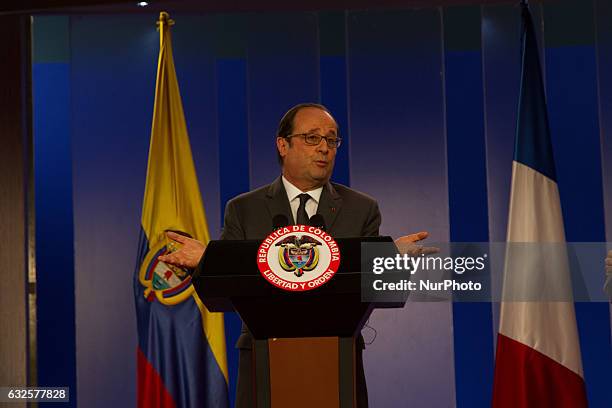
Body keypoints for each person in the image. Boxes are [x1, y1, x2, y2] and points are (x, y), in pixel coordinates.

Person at [159, 103, 434, 407]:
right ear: (283, 145)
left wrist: (388, 258)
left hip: (336, 361)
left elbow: (365, 282)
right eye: (312, 138)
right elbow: (231, 280)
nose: (324, 149)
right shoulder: (244, 209)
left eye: (331, 140)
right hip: (263, 361)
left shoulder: (361, 208)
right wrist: (209, 258)